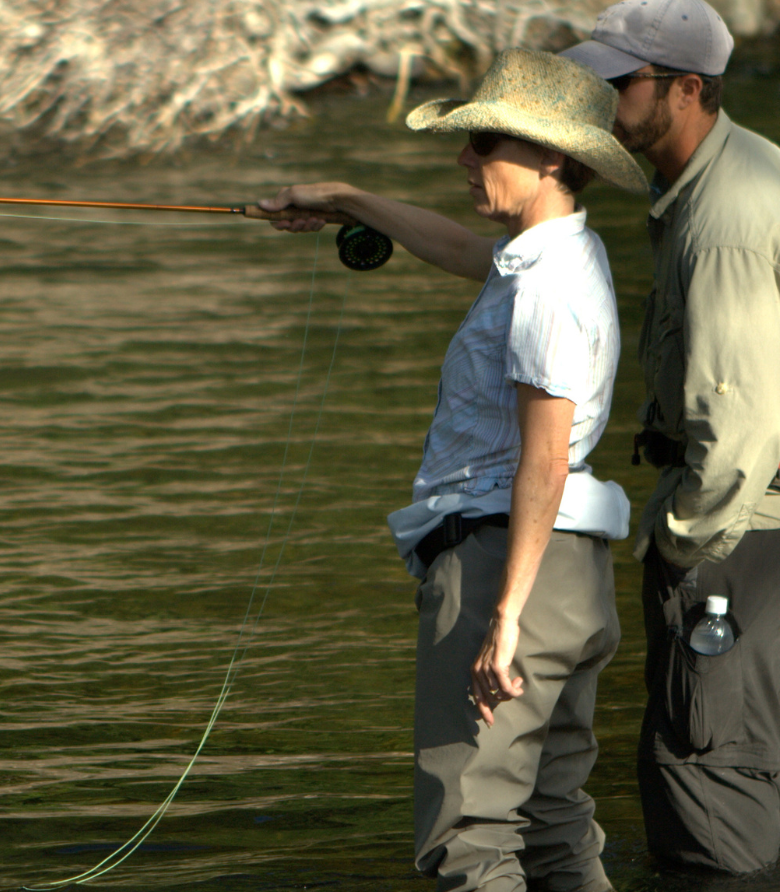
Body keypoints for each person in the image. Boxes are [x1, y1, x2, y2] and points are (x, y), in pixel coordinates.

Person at [259, 48, 647, 892]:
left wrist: (503, 615)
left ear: (551, 159)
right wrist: (340, 199)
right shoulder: (555, 254)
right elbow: (462, 249)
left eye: (486, 145)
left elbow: (543, 455)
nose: (464, 160)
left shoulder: (545, 289)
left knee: (470, 838)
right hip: (573, 574)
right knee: (552, 823)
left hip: (508, 568)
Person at [560, 0, 780, 874]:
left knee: (703, 767)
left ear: (685, 90)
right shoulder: (749, 169)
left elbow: (740, 423)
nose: (603, 100)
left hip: (738, 535)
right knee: (777, 761)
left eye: (621, 83)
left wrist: (677, 546)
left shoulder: (722, 226)